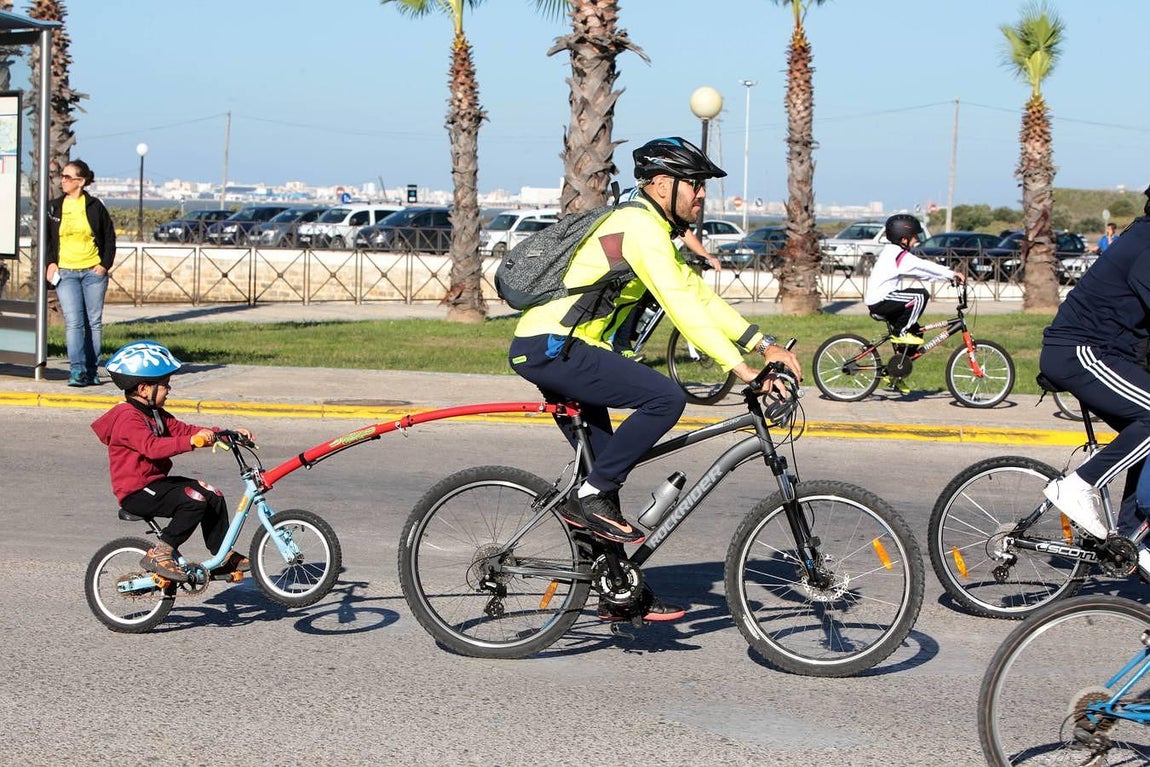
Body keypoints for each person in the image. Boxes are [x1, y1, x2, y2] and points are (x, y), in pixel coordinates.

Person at [507, 136, 801, 620]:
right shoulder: (638, 227)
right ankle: (589, 497)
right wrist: (742, 369)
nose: (702, 194)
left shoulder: (652, 231)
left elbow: (697, 295)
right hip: (553, 347)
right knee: (664, 398)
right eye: (695, 184)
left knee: (605, 475)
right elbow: (679, 305)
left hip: (566, 350)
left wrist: (762, 343)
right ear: (663, 184)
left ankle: (618, 591)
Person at [1038, 192, 1150, 563]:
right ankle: (1078, 486)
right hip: (1082, 352)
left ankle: (1134, 541)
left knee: (1143, 440)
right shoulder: (1146, 245)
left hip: (1108, 354)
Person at [91, 340, 253, 582]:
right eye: (164, 384)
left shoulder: (154, 413)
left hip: (156, 484)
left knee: (212, 495)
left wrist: (224, 434)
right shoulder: (127, 418)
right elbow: (152, 448)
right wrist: (192, 442)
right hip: (136, 491)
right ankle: (161, 552)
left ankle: (222, 556)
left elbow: (183, 430)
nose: (169, 389)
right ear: (144, 389)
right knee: (194, 500)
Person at [864, 214, 965, 392]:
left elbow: (921, 273)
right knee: (919, 296)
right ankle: (900, 332)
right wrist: (951, 273)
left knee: (916, 334)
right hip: (881, 300)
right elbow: (923, 265)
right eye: (914, 236)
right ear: (903, 238)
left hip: (887, 299)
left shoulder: (896, 254)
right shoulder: (898, 255)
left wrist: (947, 278)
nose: (917, 239)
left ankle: (894, 373)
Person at [44, 159, 117, 387]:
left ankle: (92, 370)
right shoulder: (54, 207)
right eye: (62, 176)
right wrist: (50, 263)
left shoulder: (95, 206)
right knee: (74, 322)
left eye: (67, 177)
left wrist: (104, 265)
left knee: (93, 322)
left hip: (93, 273)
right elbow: (47, 240)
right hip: (66, 273)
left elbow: (109, 237)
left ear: (81, 181)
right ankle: (77, 371)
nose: (62, 180)